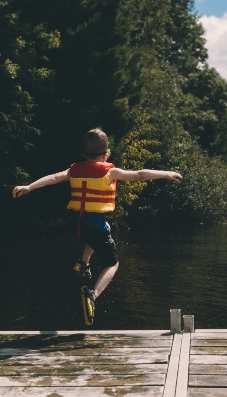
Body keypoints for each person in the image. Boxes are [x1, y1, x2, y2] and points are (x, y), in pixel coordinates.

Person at [12, 128, 181, 325]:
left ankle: (83, 262)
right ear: (106, 153)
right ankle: (93, 294)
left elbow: (53, 178)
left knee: (103, 229)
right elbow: (140, 175)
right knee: (112, 263)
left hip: (75, 223)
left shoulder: (73, 170)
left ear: (83, 154)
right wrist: (165, 174)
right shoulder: (110, 172)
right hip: (93, 224)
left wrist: (28, 187)